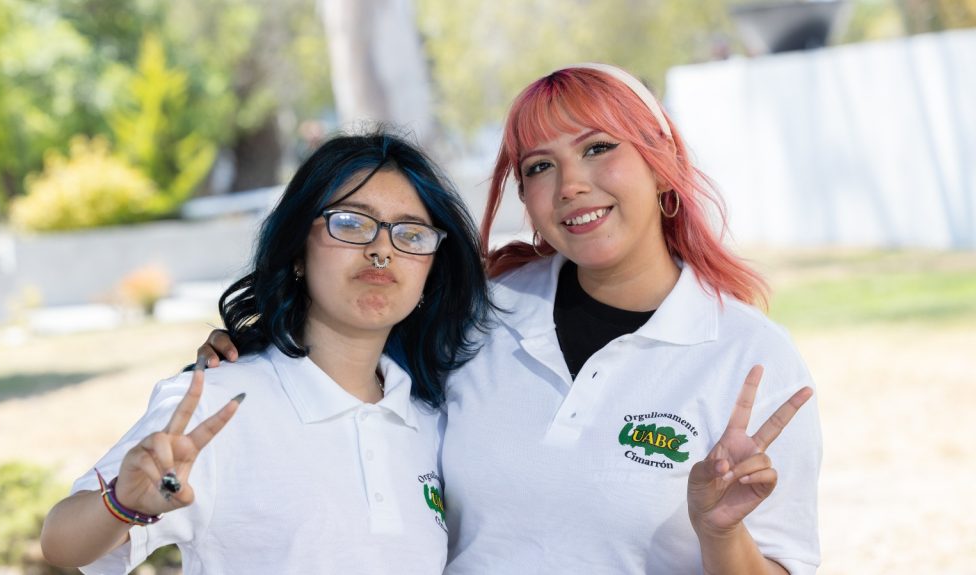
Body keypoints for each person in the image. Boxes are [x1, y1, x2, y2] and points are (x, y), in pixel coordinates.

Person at [196, 64, 822, 574]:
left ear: (662, 167)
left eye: (598, 148)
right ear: (525, 197)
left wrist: (721, 534)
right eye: (539, 166)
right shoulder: (479, 315)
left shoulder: (748, 358)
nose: (570, 184)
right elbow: (349, 352)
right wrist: (248, 348)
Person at [40, 131, 492, 574]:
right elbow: (61, 543)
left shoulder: (434, 419)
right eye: (351, 223)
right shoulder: (217, 404)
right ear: (297, 251)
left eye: (411, 235)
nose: (381, 250)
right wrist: (123, 504)